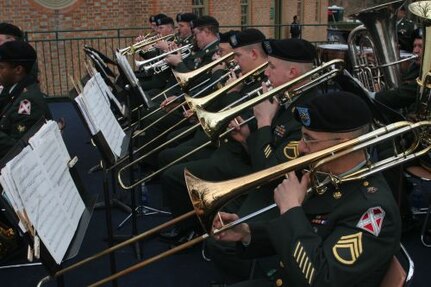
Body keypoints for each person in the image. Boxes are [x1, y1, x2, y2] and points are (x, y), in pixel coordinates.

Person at [212, 91, 401, 287]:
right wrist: (247, 233)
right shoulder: (325, 175)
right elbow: (309, 232)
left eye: (309, 139)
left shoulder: (374, 210)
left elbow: (322, 280)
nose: (301, 147)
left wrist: (290, 210)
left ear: (345, 146)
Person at [206, 38, 319, 284]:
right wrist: (248, 139)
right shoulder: (287, 95)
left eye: (272, 67)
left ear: (292, 72)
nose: (265, 72)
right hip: (262, 180)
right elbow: (266, 156)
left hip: (280, 191)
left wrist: (264, 122)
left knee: (222, 241)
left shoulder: (308, 110)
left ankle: (242, 278)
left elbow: (270, 171)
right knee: (213, 221)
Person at [159, 28, 268, 243]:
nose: (233, 60)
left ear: (254, 55)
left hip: (238, 159)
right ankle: (190, 223)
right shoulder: (244, 78)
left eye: (237, 55)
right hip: (224, 150)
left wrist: (231, 93)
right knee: (170, 158)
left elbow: (236, 121)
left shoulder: (259, 83)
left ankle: (189, 229)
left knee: (172, 175)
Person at [0, 40, 51, 158]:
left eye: (1, 67)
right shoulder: (14, 88)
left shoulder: (28, 101)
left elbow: (16, 150)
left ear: (18, 70)